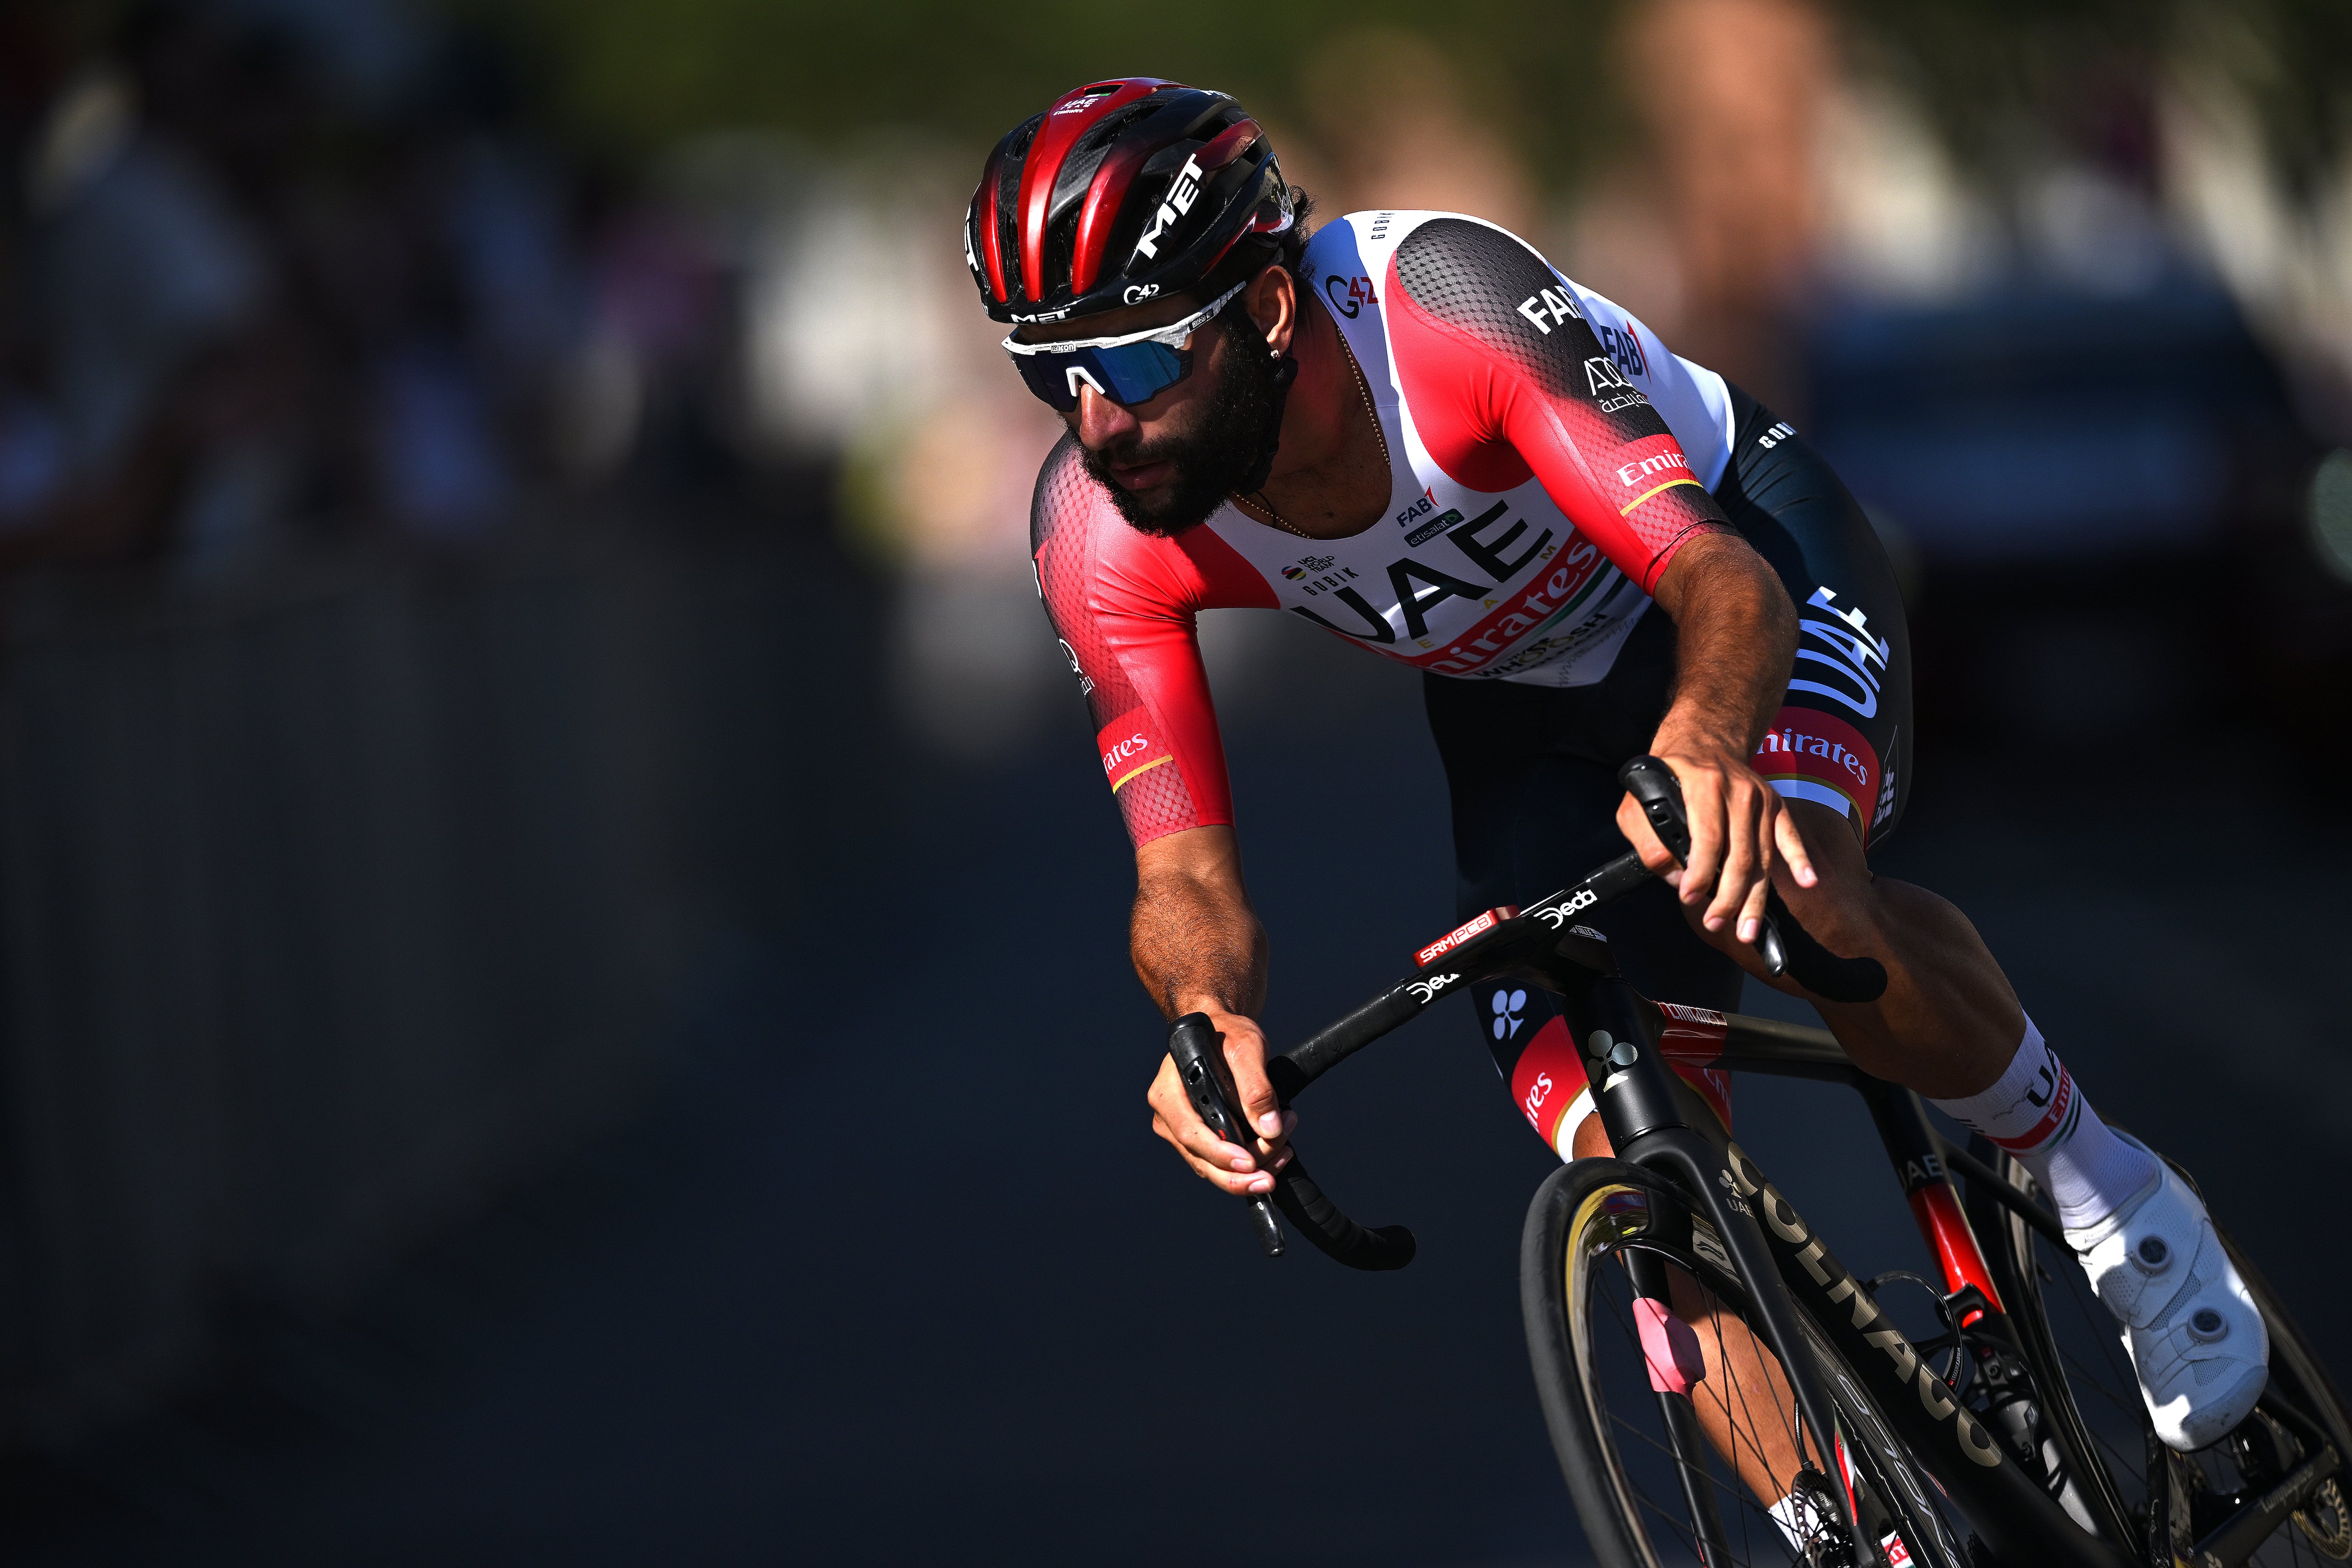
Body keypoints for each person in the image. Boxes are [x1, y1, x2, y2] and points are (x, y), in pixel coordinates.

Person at [966, 80, 2267, 1488]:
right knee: (1620, 1155)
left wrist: (1708, 747)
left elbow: (1719, 577)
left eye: (1142, 367)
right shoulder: (1099, 534)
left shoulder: (1443, 312)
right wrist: (1206, 1016)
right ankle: (1840, 1530)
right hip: (1516, 704)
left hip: (1740, 573)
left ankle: (2112, 1195)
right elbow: (1183, 877)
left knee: (1789, 894)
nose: (1097, 425)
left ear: (1270, 313)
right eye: (1055, 376)